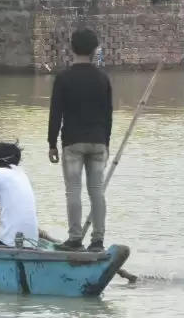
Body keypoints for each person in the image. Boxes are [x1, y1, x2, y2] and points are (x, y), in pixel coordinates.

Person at [48, 27, 114, 252]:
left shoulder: (64, 78)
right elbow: (108, 114)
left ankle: (75, 239)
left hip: (73, 142)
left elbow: (56, 113)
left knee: (73, 191)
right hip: (98, 141)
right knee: (97, 191)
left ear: (71, 48)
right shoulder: (102, 78)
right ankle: (98, 241)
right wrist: (106, 143)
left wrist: (51, 143)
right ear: (95, 50)